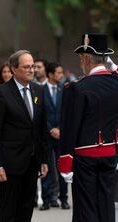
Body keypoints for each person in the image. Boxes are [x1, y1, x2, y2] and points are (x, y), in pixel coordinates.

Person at [58, 33, 118, 222]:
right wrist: (113, 65)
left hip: (84, 156)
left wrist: (65, 161)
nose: (81, 61)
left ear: (86, 58)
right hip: (110, 153)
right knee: (106, 210)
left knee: (87, 210)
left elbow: (69, 128)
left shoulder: (77, 88)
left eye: (82, 57)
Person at [0, 50, 48, 222]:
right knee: (9, 212)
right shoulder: (1, 94)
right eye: (26, 67)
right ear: (13, 69)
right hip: (10, 164)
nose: (31, 70)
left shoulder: (38, 91)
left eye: (33, 66)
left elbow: (40, 129)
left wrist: (43, 160)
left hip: (32, 163)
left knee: (25, 211)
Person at [40, 62, 69, 210]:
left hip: (61, 135)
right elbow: (39, 113)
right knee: (45, 166)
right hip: (46, 135)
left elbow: (68, 113)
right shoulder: (40, 90)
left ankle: (63, 198)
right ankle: (45, 199)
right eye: (58, 73)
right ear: (50, 74)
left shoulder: (64, 90)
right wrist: (51, 129)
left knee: (62, 167)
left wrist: (60, 129)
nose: (61, 75)